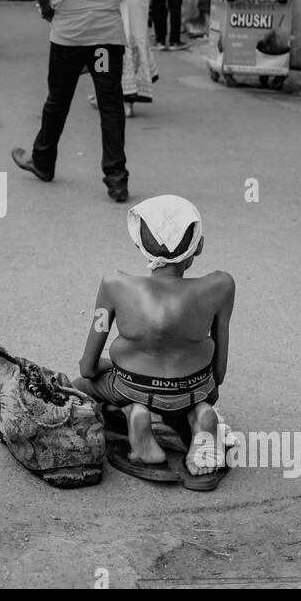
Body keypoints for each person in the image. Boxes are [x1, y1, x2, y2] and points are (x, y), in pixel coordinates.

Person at [68, 196, 236, 488]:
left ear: (139, 245)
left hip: (134, 383)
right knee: (194, 400)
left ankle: (137, 417)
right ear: (199, 246)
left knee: (81, 387)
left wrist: (98, 370)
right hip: (195, 386)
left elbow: (88, 364)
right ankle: (200, 417)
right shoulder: (221, 286)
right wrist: (210, 391)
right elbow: (220, 362)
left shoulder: (113, 285)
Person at [11, 0, 131, 202]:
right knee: (110, 105)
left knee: (58, 100)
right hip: (106, 36)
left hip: (68, 36)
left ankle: (43, 160)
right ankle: (117, 178)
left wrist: (47, 10)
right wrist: (106, 6)